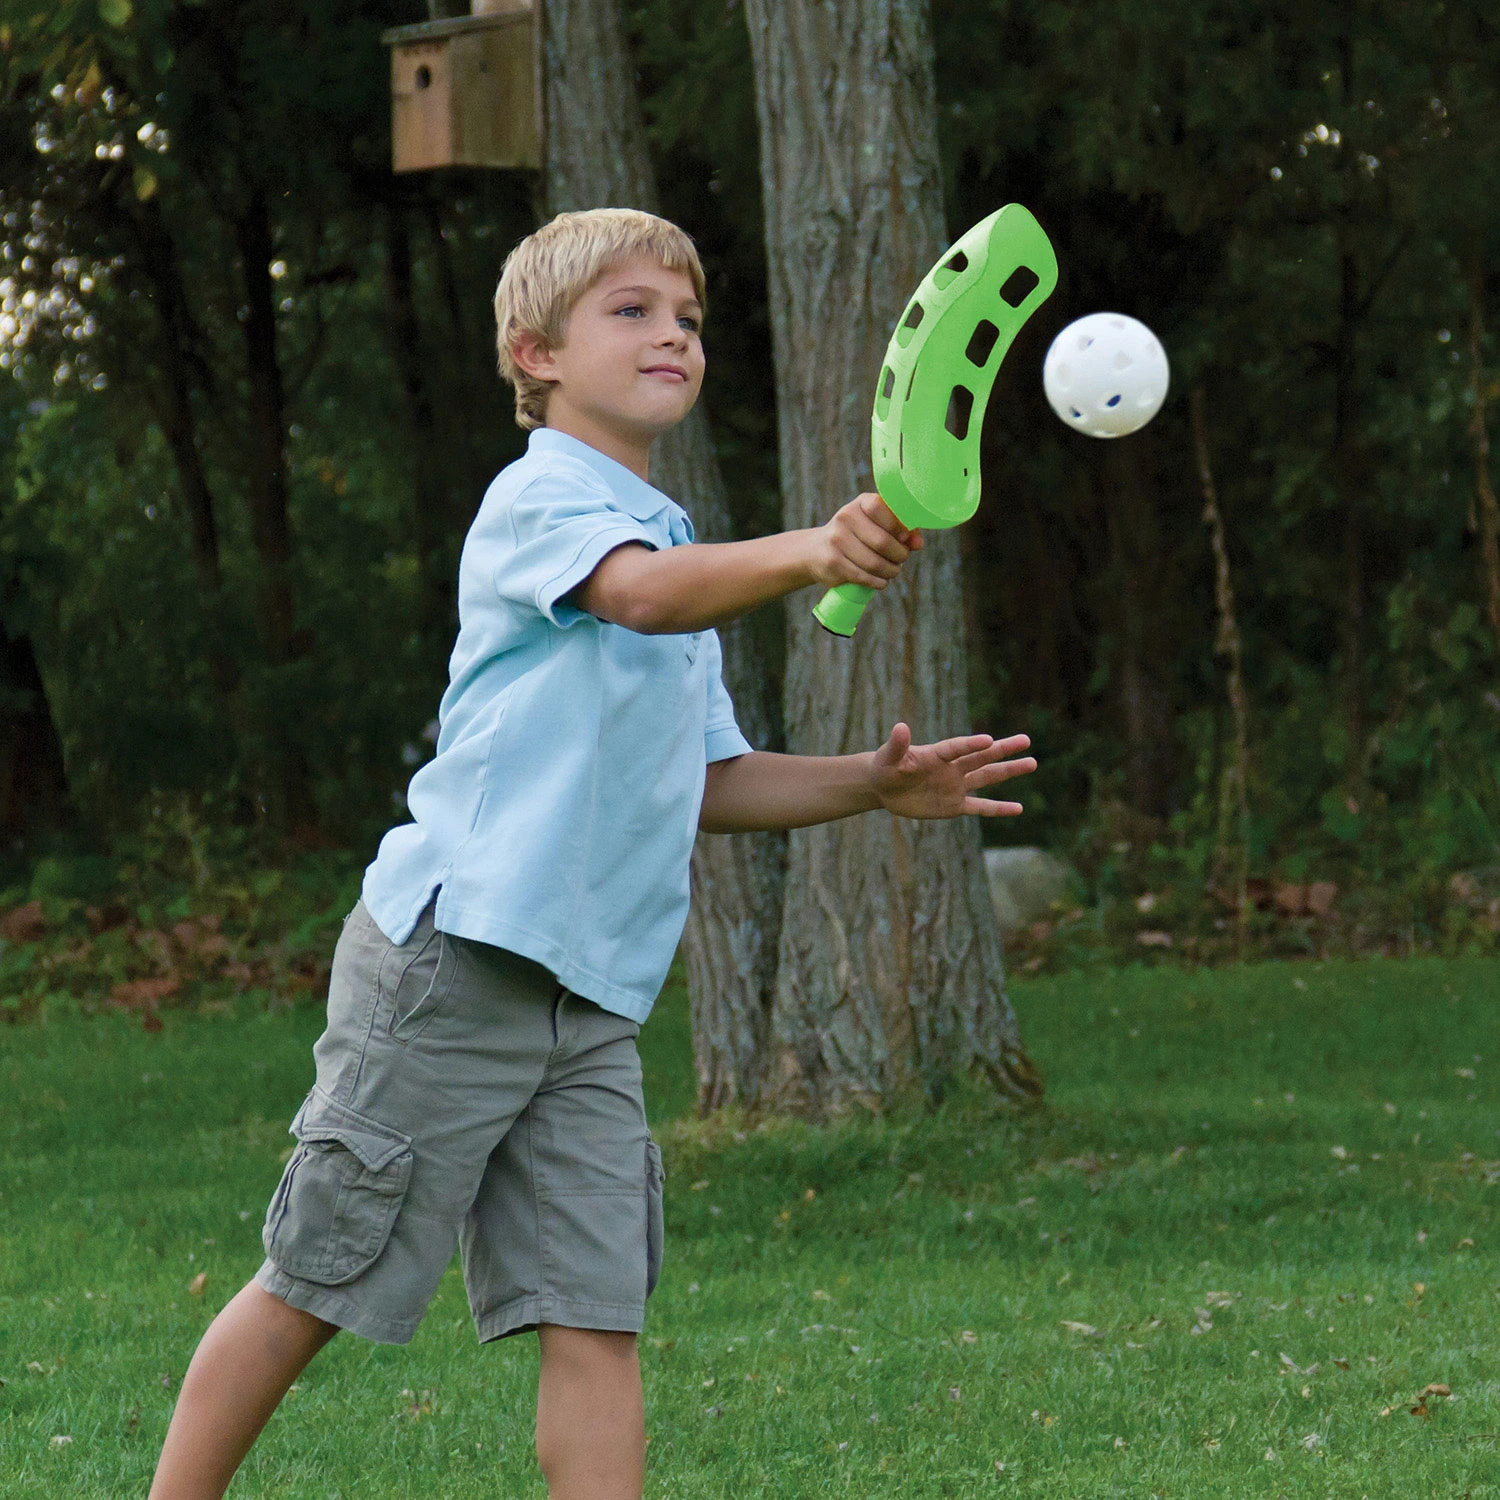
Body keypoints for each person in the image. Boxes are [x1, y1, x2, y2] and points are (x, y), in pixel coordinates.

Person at [147, 207, 1036, 1500]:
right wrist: (811, 549)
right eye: (631, 311)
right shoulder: (542, 500)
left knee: (596, 1312)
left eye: (688, 319)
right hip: (456, 963)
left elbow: (710, 781)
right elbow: (631, 597)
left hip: (591, 1002)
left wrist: (874, 784)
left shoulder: (675, 541)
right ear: (537, 353)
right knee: (320, 1275)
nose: (673, 335)